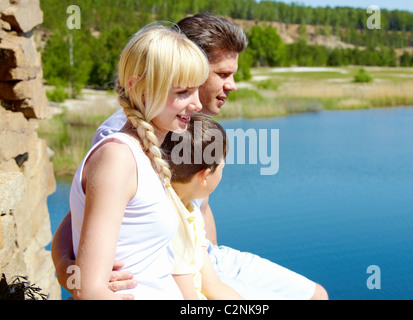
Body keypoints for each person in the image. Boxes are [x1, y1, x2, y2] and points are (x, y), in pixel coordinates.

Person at [52, 13, 328, 300]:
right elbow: (80, 217)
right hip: (184, 272)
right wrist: (68, 271)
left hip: (206, 261)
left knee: (316, 295)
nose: (232, 85)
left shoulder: (186, 124)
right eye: (222, 74)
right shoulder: (122, 147)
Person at [68, 24, 209, 299]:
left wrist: (63, 263)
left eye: (197, 90)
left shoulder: (144, 151)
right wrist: (68, 269)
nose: (197, 104)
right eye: (183, 92)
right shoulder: (118, 158)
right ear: (139, 89)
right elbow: (90, 289)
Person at [163, 112, 243, 300]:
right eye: (222, 167)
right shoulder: (171, 220)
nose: (223, 170)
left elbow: (212, 284)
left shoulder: (190, 209)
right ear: (205, 176)